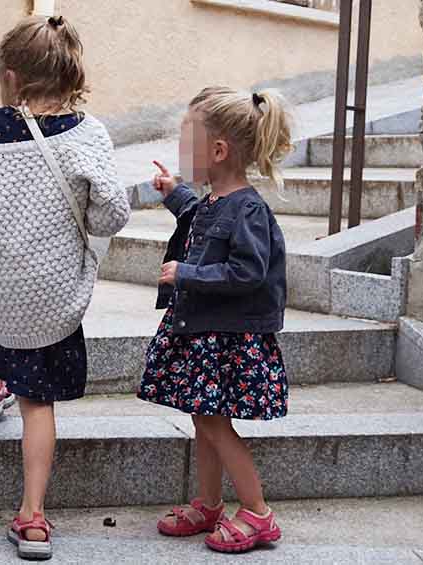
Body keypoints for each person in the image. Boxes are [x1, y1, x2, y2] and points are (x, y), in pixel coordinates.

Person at [0, 16, 130, 560]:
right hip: (53, 295)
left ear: (9, 77)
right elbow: (112, 214)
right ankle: (33, 517)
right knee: (38, 402)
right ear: (71, 73)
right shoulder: (89, 133)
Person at [138, 86, 292, 554]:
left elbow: (248, 270)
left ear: (219, 150)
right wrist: (174, 193)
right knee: (203, 418)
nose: (181, 153)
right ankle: (208, 503)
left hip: (227, 338)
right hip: (204, 334)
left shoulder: (247, 209)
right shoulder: (214, 200)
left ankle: (259, 514)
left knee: (215, 424)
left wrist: (189, 273)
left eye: (188, 144)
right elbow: (197, 214)